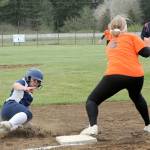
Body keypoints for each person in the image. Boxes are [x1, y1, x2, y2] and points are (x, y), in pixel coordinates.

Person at [80, 15, 150, 136]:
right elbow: (146, 53)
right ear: (125, 27)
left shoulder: (110, 42)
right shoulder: (132, 36)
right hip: (136, 76)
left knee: (92, 101)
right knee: (136, 97)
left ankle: (93, 126)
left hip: (115, 76)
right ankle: (148, 125)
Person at [0, 68, 43, 135]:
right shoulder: (23, 82)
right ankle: (9, 124)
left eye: (38, 82)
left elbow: (26, 110)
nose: (36, 83)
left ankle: (3, 130)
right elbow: (15, 85)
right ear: (28, 78)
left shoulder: (31, 96)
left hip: (11, 115)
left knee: (23, 124)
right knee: (28, 114)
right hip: (10, 106)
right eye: (34, 80)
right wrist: (25, 88)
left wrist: (27, 123)